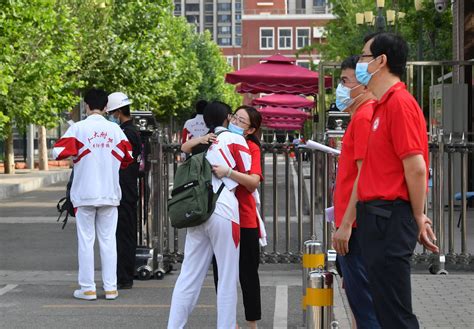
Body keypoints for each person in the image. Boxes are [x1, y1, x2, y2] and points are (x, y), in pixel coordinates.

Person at [355, 32, 439, 329]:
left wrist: (418, 216)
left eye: (364, 57)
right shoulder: (380, 105)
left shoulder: (399, 103)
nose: (359, 64)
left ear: (381, 61)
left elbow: (416, 167)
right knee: (385, 308)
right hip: (377, 218)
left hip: (390, 218)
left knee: (395, 313)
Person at [168, 101, 251, 329]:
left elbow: (184, 149)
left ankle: (174, 326)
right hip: (224, 210)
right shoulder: (236, 140)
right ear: (227, 118)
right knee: (226, 277)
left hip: (199, 210)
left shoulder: (201, 142)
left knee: (189, 276)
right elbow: (247, 176)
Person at [52, 88, 133, 301]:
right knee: (109, 241)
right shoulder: (116, 131)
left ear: (86, 106)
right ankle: (110, 288)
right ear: (106, 107)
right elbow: (128, 157)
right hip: (109, 193)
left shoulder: (78, 129)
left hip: (85, 193)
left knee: (86, 241)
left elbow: (58, 152)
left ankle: (87, 288)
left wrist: (80, 152)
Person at [331, 55, 380, 329]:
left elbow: (363, 175)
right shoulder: (363, 115)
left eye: (345, 81)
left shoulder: (363, 117)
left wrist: (346, 225)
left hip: (357, 227)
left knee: (365, 308)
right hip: (356, 223)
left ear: (363, 84)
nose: (341, 87)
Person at [212, 105, 264, 329]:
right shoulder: (219, 140)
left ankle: (251, 323)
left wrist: (229, 172)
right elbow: (186, 147)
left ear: (251, 129)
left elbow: (253, 182)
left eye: (241, 121)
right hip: (221, 217)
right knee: (221, 274)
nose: (235, 121)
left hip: (245, 219)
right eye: (235, 117)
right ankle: (229, 322)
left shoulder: (251, 148)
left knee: (248, 274)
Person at [106, 92, 142, 290]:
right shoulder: (131, 130)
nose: (110, 116)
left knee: (123, 234)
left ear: (118, 112)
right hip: (127, 188)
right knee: (124, 233)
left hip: (124, 189)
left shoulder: (126, 133)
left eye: (111, 112)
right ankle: (124, 274)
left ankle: (124, 276)